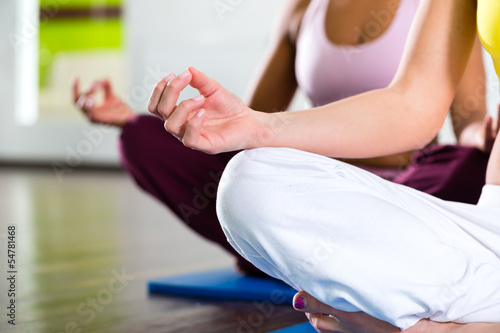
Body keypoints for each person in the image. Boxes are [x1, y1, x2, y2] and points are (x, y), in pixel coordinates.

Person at [73, 0, 496, 278]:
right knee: (147, 141)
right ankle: (309, 249)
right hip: (310, 183)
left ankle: (281, 247)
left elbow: (465, 123)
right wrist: (135, 120)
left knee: (467, 166)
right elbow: (248, 122)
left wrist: (489, 137)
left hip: (401, 190)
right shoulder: (303, 9)